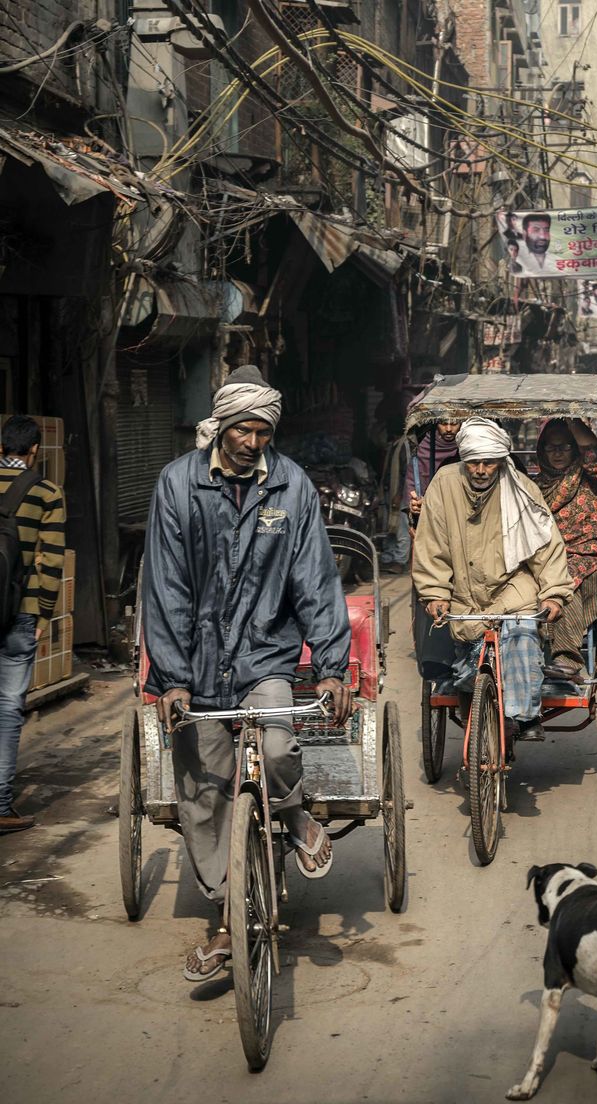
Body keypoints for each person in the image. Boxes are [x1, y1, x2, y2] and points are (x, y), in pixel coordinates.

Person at [143, 365, 352, 982]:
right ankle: (232, 911)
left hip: (266, 654)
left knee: (281, 744)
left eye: (263, 432)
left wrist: (334, 665)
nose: (253, 442)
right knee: (203, 794)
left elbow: (314, 579)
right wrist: (173, 677)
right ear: (223, 425)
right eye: (243, 430)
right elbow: (167, 587)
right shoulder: (177, 485)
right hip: (198, 665)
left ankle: (292, 817)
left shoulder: (291, 486)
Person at [412, 417, 573, 742]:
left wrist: (553, 593)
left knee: (522, 640)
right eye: (474, 463)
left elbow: (547, 544)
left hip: (515, 594)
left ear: (501, 461)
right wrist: (435, 593)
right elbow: (432, 546)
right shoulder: (444, 484)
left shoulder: (521, 488)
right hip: (465, 600)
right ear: (464, 460)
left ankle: (522, 719)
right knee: (468, 672)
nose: (482, 469)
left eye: (489, 463)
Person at [0, 416, 65, 834]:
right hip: (19, 612)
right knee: (7, 708)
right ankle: (1, 805)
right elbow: (52, 562)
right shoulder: (46, 492)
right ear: (35, 450)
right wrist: (42, 615)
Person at [535, 419, 597, 682]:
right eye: (550, 447)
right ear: (541, 451)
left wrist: (571, 417)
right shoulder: (534, 487)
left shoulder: (588, 473)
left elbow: (592, 449)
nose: (557, 453)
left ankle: (567, 659)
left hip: (592, 560)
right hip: (546, 560)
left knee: (564, 582)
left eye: (564, 446)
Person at [405, 419, 462, 520]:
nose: (448, 429)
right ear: (436, 424)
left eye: (454, 424)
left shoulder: (468, 448)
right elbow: (411, 484)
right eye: (443, 423)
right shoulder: (422, 448)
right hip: (428, 513)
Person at [380, 413, 411, 574]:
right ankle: (389, 558)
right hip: (388, 493)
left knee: (401, 529)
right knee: (389, 528)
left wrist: (399, 494)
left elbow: (406, 472)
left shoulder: (404, 445)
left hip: (400, 494)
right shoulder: (393, 444)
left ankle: (400, 561)